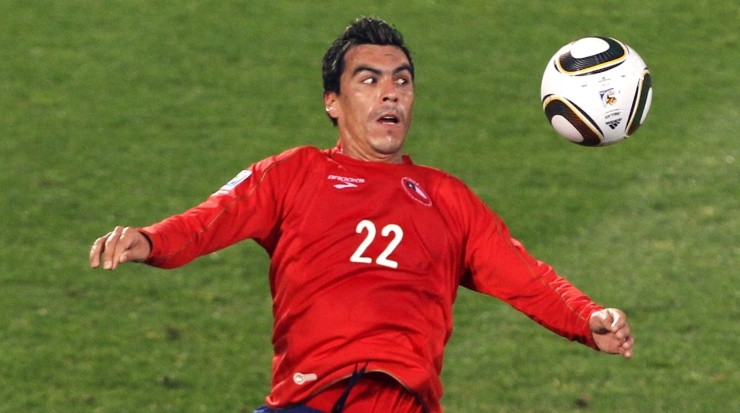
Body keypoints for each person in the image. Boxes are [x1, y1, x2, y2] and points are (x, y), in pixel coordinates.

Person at [89, 16, 634, 413]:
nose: (390, 94)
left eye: (402, 80)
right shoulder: (294, 174)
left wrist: (586, 319)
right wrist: (149, 240)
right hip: (307, 400)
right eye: (369, 80)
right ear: (333, 101)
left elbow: (526, 276)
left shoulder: (446, 198)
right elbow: (211, 217)